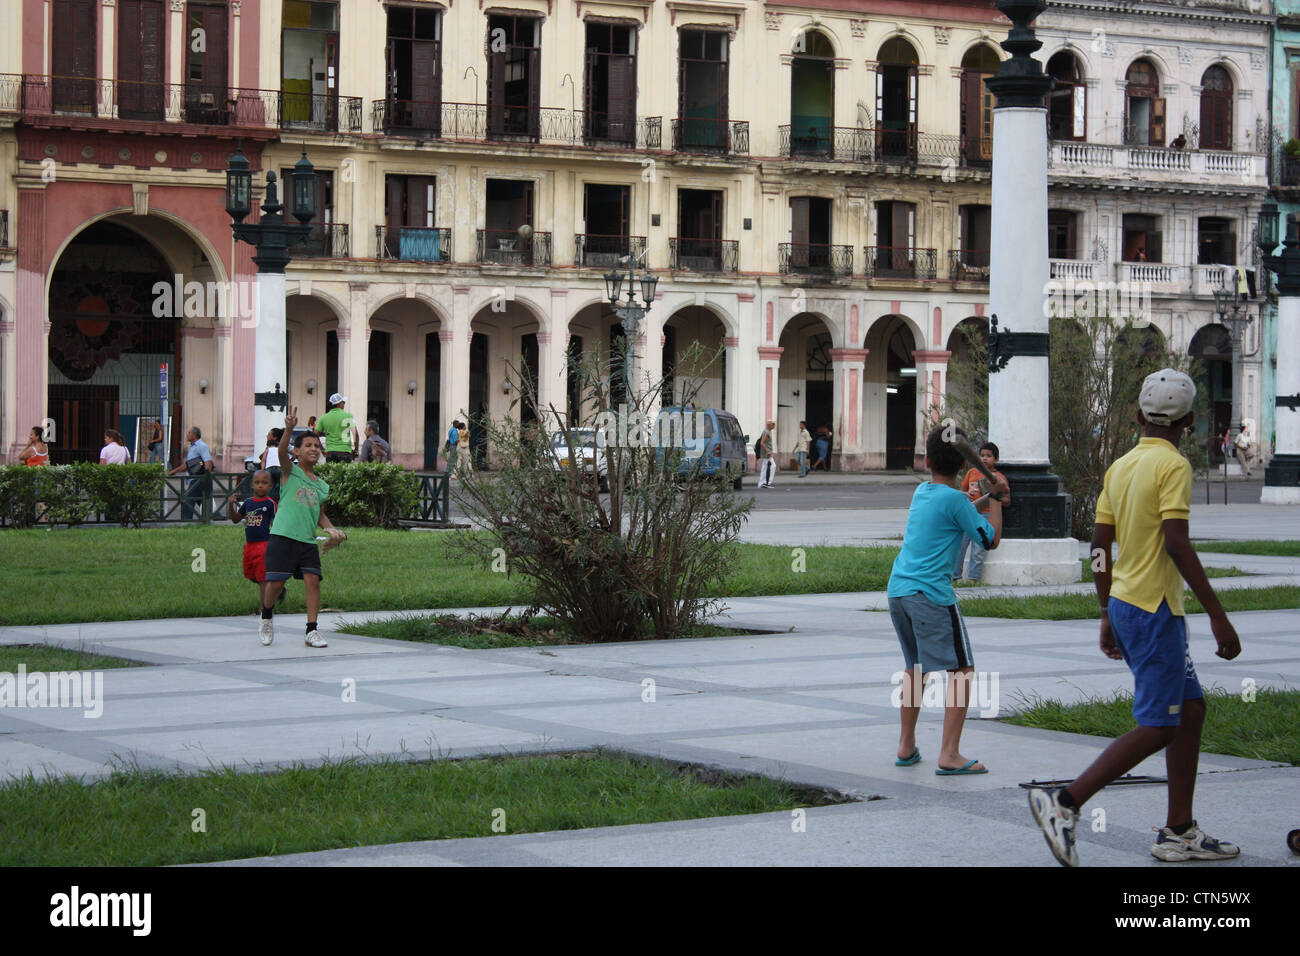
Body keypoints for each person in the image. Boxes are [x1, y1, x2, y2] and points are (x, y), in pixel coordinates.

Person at [1028, 369, 1242, 867]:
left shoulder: (1120, 467)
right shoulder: (1174, 466)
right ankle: (1063, 802)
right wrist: (1218, 615)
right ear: (1190, 419)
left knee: (1190, 711)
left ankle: (1179, 831)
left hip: (1128, 604)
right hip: (1155, 611)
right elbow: (1176, 541)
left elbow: (1100, 548)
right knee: (1161, 724)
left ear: (1136, 414)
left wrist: (1106, 608)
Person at [888, 425, 1007, 776]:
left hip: (899, 591)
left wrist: (985, 496)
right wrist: (998, 498)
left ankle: (906, 746)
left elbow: (960, 511)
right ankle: (949, 754)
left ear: (927, 461)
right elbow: (989, 539)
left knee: (916, 670)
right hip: (931, 596)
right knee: (962, 671)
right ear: (962, 466)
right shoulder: (955, 501)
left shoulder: (923, 493)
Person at [258, 407, 345, 648]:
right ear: (297, 451)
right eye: (308, 446)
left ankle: (312, 630)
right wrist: (287, 429)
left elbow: (320, 515)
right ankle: (266, 616)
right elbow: (282, 453)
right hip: (282, 536)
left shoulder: (322, 486)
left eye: (317, 446)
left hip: (307, 541)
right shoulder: (290, 471)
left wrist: (331, 530)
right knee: (276, 583)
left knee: (313, 580)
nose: (313, 449)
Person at [953, 442, 1011, 583]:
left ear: (996, 459)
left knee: (979, 549)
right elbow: (961, 490)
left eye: (989, 456)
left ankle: (973, 578)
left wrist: (993, 496)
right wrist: (966, 493)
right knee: (960, 545)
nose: (984, 459)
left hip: (986, 515)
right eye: (982, 455)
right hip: (969, 513)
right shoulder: (972, 473)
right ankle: (954, 577)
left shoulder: (999, 478)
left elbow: (1007, 500)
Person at [228, 470, 278, 610]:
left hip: (264, 545)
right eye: (257, 482)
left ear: (270, 486)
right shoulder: (248, 503)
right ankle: (275, 589)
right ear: (252, 485)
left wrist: (276, 543)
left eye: (264, 483)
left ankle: (263, 609)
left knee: (262, 578)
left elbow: (275, 523)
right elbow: (236, 519)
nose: (260, 486)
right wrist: (231, 505)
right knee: (251, 574)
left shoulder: (270, 503)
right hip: (250, 545)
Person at [169, 427, 213, 520]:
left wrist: (206, 477)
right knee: (201, 501)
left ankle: (186, 520)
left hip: (198, 478)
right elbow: (188, 464)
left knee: (188, 499)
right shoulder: (192, 447)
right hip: (193, 478)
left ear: (194, 435)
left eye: (189, 432)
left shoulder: (201, 446)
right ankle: (216, 517)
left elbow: (208, 462)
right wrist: (174, 471)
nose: (187, 434)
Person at [318, 393, 358, 463]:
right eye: (343, 402)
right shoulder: (348, 416)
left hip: (330, 452)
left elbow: (314, 435)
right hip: (345, 451)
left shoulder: (323, 418)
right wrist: (356, 450)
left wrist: (322, 449)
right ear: (339, 404)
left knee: (332, 473)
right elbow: (356, 434)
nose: (344, 404)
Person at [260, 428, 284, 495]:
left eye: (269, 435)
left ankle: (270, 497)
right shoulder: (279, 449)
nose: (267, 436)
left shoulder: (267, 449)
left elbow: (263, 460)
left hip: (269, 469)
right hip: (279, 469)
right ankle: (278, 494)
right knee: (280, 484)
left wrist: (263, 470)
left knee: (270, 485)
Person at [757, 420, 777, 488]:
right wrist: (768, 451)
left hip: (767, 452)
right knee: (773, 466)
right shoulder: (766, 432)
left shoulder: (768, 432)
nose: (774, 425)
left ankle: (762, 483)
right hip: (767, 453)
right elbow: (762, 443)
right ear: (769, 425)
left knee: (764, 467)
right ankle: (767, 483)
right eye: (773, 424)